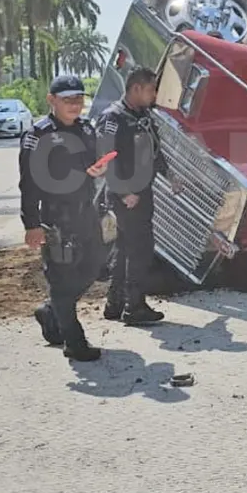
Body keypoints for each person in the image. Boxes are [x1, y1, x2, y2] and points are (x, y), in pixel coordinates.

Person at [20, 74, 107, 361]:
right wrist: (32, 225)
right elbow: (29, 184)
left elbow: (90, 163)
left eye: (79, 98)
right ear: (51, 100)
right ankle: (74, 342)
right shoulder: (38, 136)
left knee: (93, 268)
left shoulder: (86, 129)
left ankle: (51, 311)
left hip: (86, 212)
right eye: (68, 99)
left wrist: (97, 169)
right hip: (56, 218)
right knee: (61, 278)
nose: (75, 104)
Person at [96, 66, 176, 325]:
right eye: (152, 89)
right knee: (140, 249)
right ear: (136, 89)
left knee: (125, 248)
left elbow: (154, 150)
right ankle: (135, 306)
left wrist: (170, 175)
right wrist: (123, 192)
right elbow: (104, 159)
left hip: (141, 192)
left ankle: (115, 303)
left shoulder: (143, 115)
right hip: (127, 196)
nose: (154, 95)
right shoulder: (113, 117)